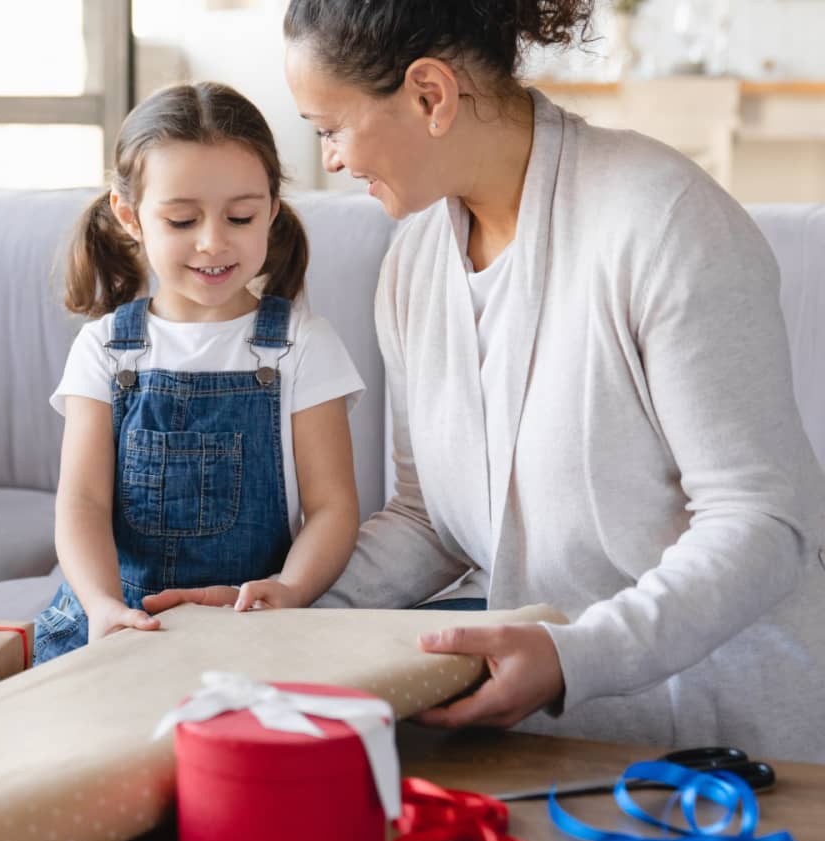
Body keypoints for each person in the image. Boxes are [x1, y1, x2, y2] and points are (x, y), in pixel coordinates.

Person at [154, 2, 825, 763]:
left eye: (328, 128)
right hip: (550, 728)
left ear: (431, 95)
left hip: (731, 733)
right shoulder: (413, 266)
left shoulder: (662, 222)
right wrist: (283, 606)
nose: (331, 160)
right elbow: (426, 520)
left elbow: (762, 523)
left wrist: (577, 655)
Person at [33, 82, 365, 664]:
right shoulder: (106, 348)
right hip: (115, 628)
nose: (213, 242)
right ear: (130, 217)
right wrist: (103, 605)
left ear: (271, 210)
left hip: (247, 630)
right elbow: (81, 502)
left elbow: (333, 507)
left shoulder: (301, 346)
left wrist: (290, 590)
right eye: (183, 220)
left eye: (240, 216)